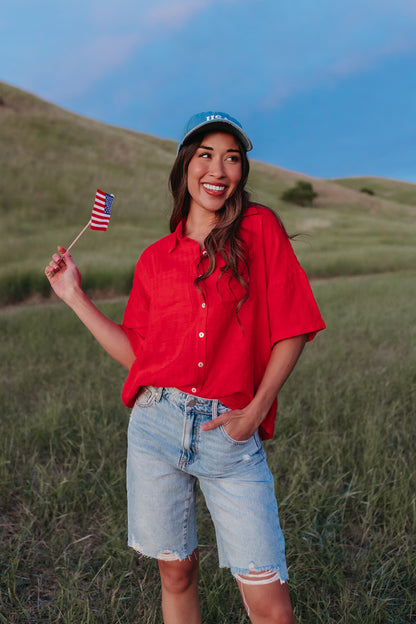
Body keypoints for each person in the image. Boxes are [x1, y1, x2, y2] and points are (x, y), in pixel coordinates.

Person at [45, 111, 325, 624]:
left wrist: (255, 409)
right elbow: (141, 358)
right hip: (154, 427)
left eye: (233, 158)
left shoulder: (258, 230)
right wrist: (74, 296)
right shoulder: (155, 259)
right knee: (176, 574)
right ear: (185, 166)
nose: (220, 169)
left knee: (269, 600)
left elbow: (295, 326)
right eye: (206, 154)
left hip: (230, 434)